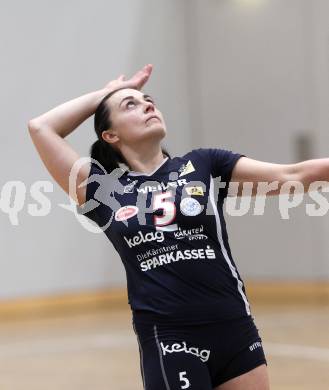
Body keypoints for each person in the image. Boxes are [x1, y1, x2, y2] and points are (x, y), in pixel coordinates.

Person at [29, 64, 326, 389]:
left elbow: (292, 175)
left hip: (234, 328)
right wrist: (104, 95)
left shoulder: (204, 163)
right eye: (130, 104)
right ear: (110, 135)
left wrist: (120, 97)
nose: (147, 105)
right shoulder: (102, 189)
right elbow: (41, 127)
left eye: (148, 100)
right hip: (170, 337)